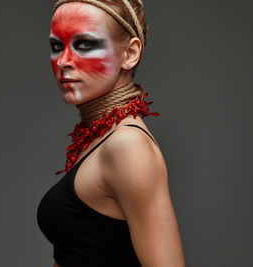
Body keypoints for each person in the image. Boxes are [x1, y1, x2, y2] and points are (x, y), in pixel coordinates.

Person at [37, 0, 186, 266]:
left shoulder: (128, 145)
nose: (63, 61)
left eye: (85, 45)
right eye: (57, 46)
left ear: (130, 54)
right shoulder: (101, 137)